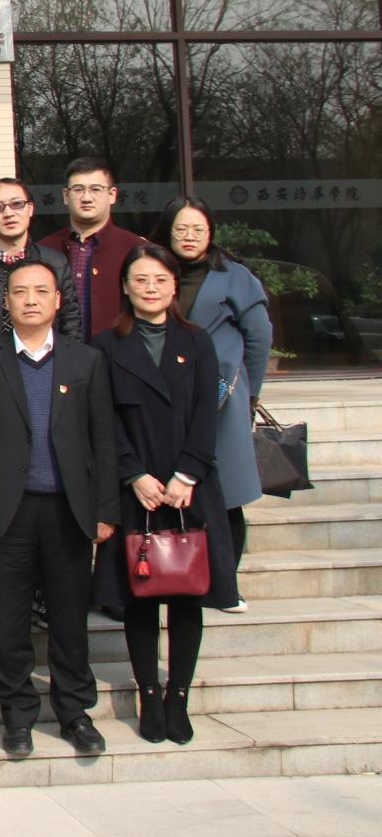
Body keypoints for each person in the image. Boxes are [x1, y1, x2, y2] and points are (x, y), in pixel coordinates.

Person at [0, 260, 120, 758]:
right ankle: (17, 716)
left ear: (57, 301)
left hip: (68, 511)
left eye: (41, 291)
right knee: (8, 622)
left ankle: (75, 712)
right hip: (6, 511)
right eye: (20, 292)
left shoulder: (85, 361)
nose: (30, 300)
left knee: (70, 619)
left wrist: (105, 509)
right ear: (5, 302)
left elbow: (104, 440)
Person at [92, 243, 238, 746]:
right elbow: (103, 418)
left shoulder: (196, 342)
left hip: (187, 489)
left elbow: (206, 414)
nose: (150, 288)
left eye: (159, 279)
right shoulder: (106, 346)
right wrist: (133, 474)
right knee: (141, 597)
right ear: (125, 287)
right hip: (137, 489)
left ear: (174, 285)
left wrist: (187, 474)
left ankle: (179, 697)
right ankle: (149, 696)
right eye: (140, 280)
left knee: (186, 596)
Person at [154, 195, 270, 602]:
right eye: (181, 229)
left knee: (226, 494)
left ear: (210, 233)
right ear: (167, 231)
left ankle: (226, 585)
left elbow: (259, 338)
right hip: (165, 400)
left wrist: (249, 392)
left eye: (198, 229)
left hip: (222, 397)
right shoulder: (154, 271)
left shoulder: (235, 276)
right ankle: (174, 577)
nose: (189, 237)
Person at [0, 178, 82, 373]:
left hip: (44, 371)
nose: (8, 213)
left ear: (30, 209)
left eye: (17, 204)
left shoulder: (55, 264)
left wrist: (70, 375)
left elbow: (71, 327)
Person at [38, 155, 145, 338]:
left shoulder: (136, 249)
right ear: (65, 196)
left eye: (96, 189)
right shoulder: (43, 250)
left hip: (120, 349)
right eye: (78, 189)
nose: (86, 198)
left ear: (112, 195)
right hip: (58, 351)